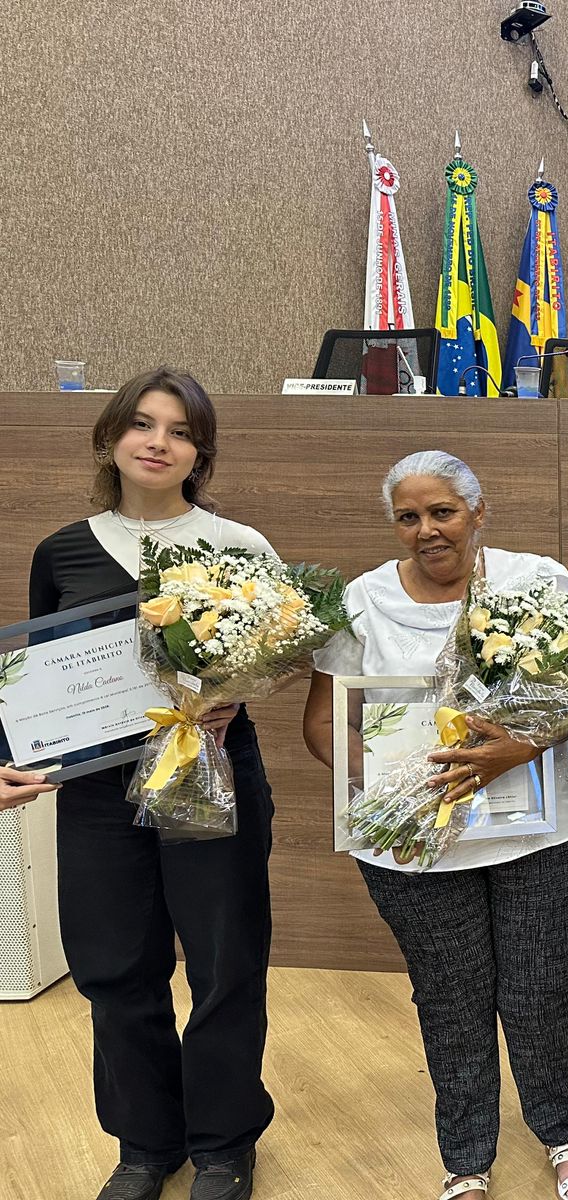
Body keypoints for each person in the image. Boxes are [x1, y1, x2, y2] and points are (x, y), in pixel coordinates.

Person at [302, 451, 568, 1200]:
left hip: (536, 831)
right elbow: (320, 723)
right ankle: (467, 1156)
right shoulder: (360, 600)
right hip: (412, 848)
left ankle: (562, 1130)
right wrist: (394, 785)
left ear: (478, 512)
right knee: (450, 995)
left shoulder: (535, 582)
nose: (427, 530)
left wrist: (517, 750)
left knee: (542, 988)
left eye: (443, 512)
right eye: (409, 516)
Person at [23, 368, 277, 1200]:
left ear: (199, 452)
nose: (158, 442)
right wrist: (28, 755)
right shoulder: (60, 550)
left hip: (212, 773)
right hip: (101, 793)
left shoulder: (238, 544)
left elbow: (288, 652)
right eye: (142, 424)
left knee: (224, 963)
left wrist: (239, 690)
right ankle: (144, 1144)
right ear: (109, 438)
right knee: (114, 966)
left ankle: (223, 1145)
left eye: (179, 430)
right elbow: (42, 680)